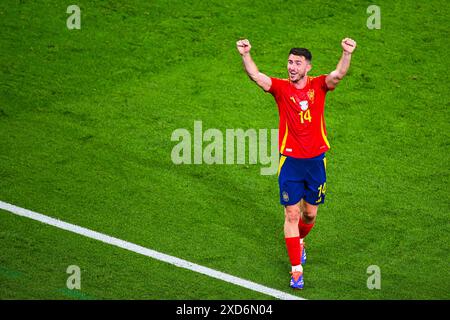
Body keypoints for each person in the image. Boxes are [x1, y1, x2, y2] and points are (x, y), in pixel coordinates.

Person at [236, 37, 356, 289]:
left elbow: (338, 74)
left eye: (297, 63)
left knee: (309, 214)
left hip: (315, 162)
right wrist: (245, 55)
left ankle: (300, 241)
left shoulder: (319, 85)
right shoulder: (281, 89)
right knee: (291, 213)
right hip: (290, 161)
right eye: (289, 62)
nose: (291, 67)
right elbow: (257, 76)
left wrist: (346, 53)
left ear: (308, 67)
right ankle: (296, 270)